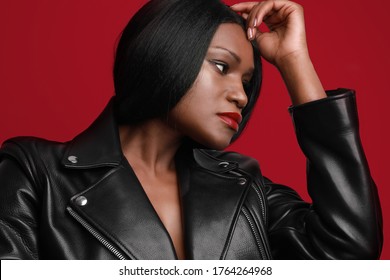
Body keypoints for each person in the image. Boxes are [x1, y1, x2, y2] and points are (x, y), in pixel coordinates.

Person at [0, 0, 383, 260]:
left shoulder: (246, 188)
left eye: (248, 83)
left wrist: (294, 60)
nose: (241, 97)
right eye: (221, 67)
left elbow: (350, 251)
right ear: (165, 54)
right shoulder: (35, 173)